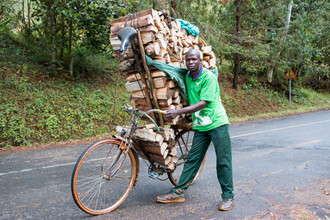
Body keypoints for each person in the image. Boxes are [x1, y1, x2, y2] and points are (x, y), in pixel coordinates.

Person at [156, 49, 235, 211]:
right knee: (193, 158)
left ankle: (228, 196)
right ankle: (178, 192)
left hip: (217, 123)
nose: (191, 62)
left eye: (194, 59)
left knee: (223, 161)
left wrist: (177, 112)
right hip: (201, 126)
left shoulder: (208, 78)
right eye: (188, 60)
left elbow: (202, 103)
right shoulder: (187, 77)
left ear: (200, 61)